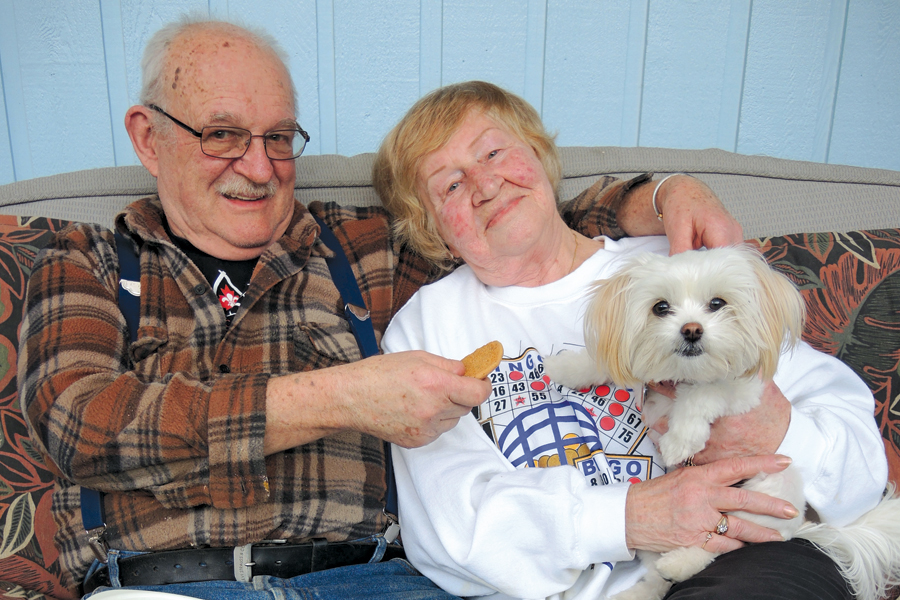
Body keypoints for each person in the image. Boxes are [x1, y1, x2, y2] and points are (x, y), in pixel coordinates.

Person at [17, 18, 744, 600]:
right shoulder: (85, 264)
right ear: (149, 137)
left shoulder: (361, 248)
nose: (260, 167)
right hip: (173, 583)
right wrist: (339, 398)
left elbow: (521, 217)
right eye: (223, 135)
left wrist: (658, 195)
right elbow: (83, 423)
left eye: (278, 138)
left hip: (383, 581)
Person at [373, 80, 887, 600]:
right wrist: (629, 518)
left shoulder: (678, 262)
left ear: (540, 154)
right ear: (430, 227)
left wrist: (777, 431)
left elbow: (862, 473)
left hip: (744, 564)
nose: (485, 183)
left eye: (494, 151)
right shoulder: (427, 327)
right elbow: (451, 530)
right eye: (451, 186)